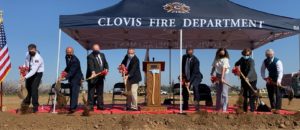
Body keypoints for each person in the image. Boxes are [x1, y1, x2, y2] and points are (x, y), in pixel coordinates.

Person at [21, 44, 44, 113]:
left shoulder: (38, 58)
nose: (31, 52)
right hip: (29, 72)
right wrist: (22, 70)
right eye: (29, 50)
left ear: (35, 49)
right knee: (28, 88)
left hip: (37, 74)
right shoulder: (27, 54)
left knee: (34, 88)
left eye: (32, 50)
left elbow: (34, 71)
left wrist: (25, 77)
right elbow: (26, 63)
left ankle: (35, 107)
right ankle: (25, 105)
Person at [60, 47, 83, 114]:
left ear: (73, 52)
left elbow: (72, 71)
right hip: (71, 77)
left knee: (74, 93)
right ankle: (72, 107)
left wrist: (64, 78)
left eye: (70, 52)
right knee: (72, 93)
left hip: (77, 77)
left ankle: (73, 108)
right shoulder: (66, 57)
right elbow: (68, 67)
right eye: (67, 52)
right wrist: (63, 73)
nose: (69, 53)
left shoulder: (75, 60)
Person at [86, 43, 109, 111]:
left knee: (100, 92)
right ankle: (90, 106)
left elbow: (105, 63)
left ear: (99, 49)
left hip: (101, 77)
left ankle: (100, 105)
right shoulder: (90, 56)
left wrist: (106, 69)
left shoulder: (102, 55)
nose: (96, 51)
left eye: (97, 50)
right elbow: (91, 65)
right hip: (93, 77)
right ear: (92, 50)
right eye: (94, 50)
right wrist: (93, 72)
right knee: (91, 92)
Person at [211, 48, 230, 112]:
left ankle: (224, 108)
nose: (221, 53)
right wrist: (212, 73)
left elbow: (224, 69)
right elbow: (214, 66)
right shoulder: (216, 59)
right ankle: (218, 107)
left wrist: (222, 78)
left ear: (225, 52)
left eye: (223, 52)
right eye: (220, 51)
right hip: (217, 75)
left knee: (224, 92)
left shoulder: (226, 59)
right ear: (218, 52)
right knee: (218, 92)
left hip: (224, 75)